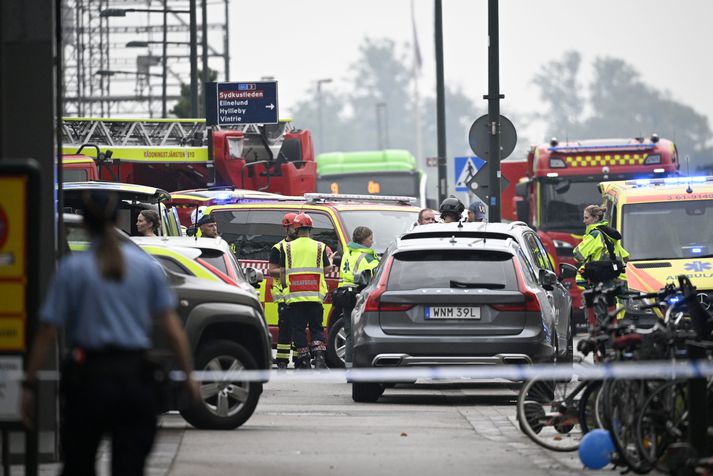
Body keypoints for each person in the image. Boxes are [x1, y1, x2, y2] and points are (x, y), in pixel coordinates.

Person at [22, 190, 199, 476]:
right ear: (118, 219)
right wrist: (189, 376)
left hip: (88, 381)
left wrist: (29, 384)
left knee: (79, 464)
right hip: (134, 381)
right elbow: (173, 330)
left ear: (86, 224)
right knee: (129, 467)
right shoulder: (145, 268)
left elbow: (47, 332)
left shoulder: (72, 269)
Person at [280, 213, 332, 369]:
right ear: (310, 228)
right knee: (316, 328)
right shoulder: (320, 246)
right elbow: (327, 269)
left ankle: (303, 359)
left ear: (296, 228)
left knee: (298, 329)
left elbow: (282, 272)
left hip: (295, 297)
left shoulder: (287, 247)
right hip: (315, 296)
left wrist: (284, 288)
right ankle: (319, 357)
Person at [573, 204, 630, 325]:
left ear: (595, 218)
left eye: (586, 218)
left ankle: (599, 342)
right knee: (611, 319)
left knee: (596, 320)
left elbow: (578, 254)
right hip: (612, 283)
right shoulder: (609, 235)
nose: (584, 221)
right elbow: (625, 256)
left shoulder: (595, 235)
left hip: (596, 283)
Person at [334, 226, 379, 368]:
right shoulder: (367, 256)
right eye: (370, 239)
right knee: (363, 334)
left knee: (349, 334)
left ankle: (349, 369)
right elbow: (377, 275)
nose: (372, 242)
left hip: (345, 294)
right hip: (359, 296)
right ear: (363, 240)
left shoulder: (349, 252)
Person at [269, 212, 298, 369]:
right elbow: (271, 270)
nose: (297, 230)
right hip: (283, 295)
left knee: (299, 328)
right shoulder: (278, 248)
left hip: (300, 294)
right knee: (285, 329)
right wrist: (288, 271)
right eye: (294, 226)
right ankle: (282, 360)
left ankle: (300, 359)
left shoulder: (303, 247)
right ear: (286, 228)